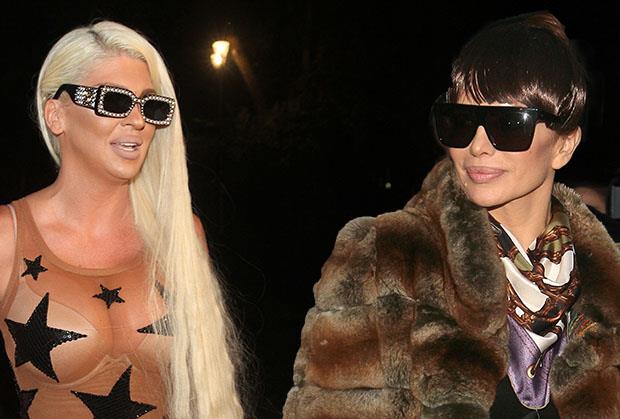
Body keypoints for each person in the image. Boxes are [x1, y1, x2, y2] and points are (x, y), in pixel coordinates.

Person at [284, 11, 620, 418]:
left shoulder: (608, 280)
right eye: (460, 121)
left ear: (564, 146)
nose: (477, 146)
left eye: (508, 124)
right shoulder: (388, 258)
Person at [0, 21, 244, 418]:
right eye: (114, 101)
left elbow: (203, 388)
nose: (138, 121)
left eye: (150, 106)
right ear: (56, 115)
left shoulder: (180, 235)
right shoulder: (7, 236)